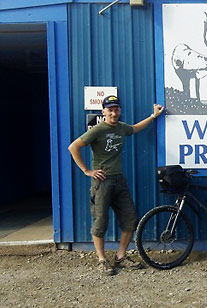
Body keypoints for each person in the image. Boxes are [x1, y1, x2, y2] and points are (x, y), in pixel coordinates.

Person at [68, 95, 164, 275]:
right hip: (102, 182)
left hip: (119, 180)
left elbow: (135, 129)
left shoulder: (121, 128)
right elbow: (73, 147)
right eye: (110, 110)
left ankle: (121, 257)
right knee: (100, 222)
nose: (113, 113)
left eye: (116, 109)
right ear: (103, 112)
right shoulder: (97, 130)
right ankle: (102, 260)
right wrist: (87, 170)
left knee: (130, 219)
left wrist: (153, 116)